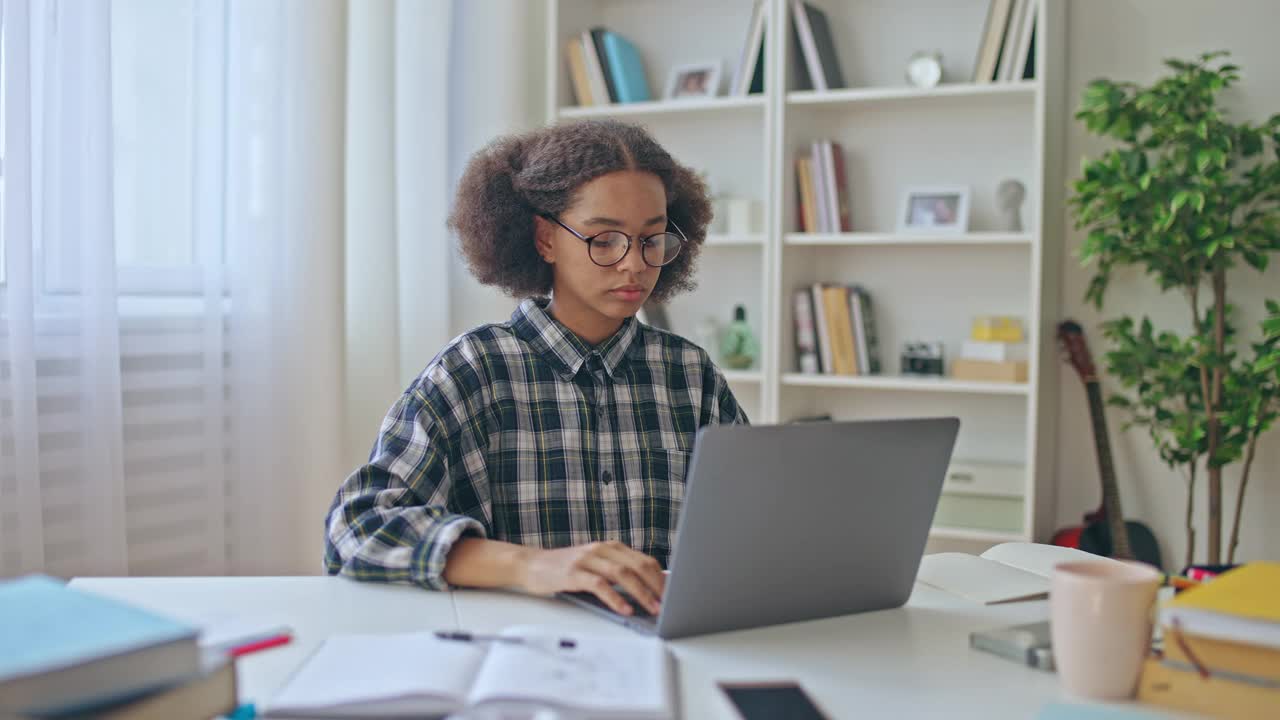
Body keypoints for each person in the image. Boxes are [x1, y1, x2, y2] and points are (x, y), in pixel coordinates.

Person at [325, 119, 748, 618]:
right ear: (545, 239)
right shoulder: (474, 372)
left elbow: (759, 522)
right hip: (522, 655)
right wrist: (532, 566)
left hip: (667, 650)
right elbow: (357, 528)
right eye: (605, 239)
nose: (634, 264)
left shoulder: (689, 377)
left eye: (651, 239)